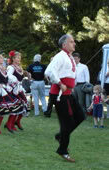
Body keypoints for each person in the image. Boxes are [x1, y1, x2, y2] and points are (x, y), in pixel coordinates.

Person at [45, 34, 85, 162]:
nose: (74, 44)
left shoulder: (70, 58)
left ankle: (60, 136)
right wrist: (60, 83)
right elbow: (49, 71)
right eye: (71, 42)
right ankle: (63, 150)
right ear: (64, 45)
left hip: (69, 94)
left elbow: (70, 74)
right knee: (66, 123)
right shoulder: (60, 56)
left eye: (74, 41)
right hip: (61, 96)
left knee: (80, 116)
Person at [0, 51, 24, 134]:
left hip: (5, 90)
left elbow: (8, 79)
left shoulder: (3, 68)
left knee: (16, 105)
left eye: (2, 57)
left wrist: (12, 84)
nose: (2, 59)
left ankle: (6, 126)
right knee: (2, 110)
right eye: (0, 58)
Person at [7, 50, 30, 131]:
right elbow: (8, 76)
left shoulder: (19, 67)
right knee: (16, 107)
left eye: (20, 57)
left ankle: (16, 122)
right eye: (17, 57)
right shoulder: (11, 67)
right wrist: (15, 82)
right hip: (13, 89)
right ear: (13, 59)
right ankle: (10, 124)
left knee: (25, 105)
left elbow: (20, 78)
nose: (19, 59)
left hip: (19, 88)